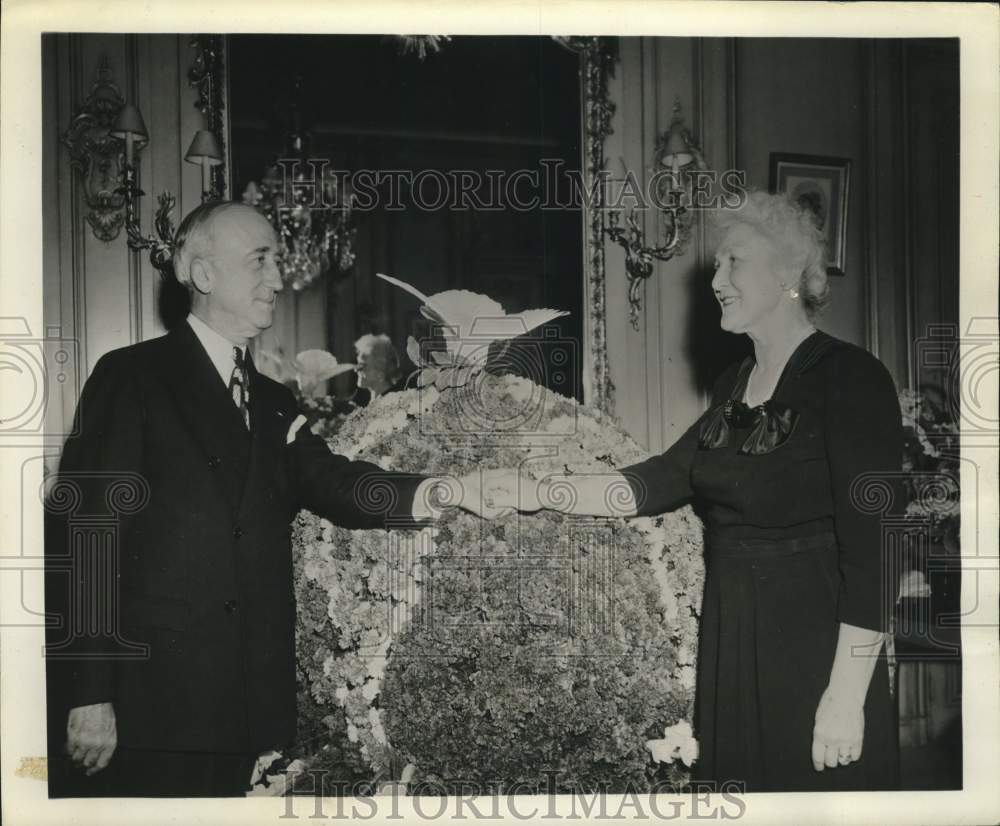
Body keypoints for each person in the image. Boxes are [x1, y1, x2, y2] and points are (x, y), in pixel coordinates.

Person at [44, 201, 496, 798]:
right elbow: (87, 537)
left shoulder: (273, 399)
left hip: (238, 707)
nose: (278, 280)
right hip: (148, 706)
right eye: (260, 261)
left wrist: (455, 490)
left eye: (277, 262)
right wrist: (90, 692)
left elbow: (335, 482)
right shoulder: (131, 377)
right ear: (203, 276)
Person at [488, 191, 903, 792]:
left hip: (816, 655)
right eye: (717, 265)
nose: (716, 279)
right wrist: (526, 489)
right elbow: (655, 480)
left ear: (788, 274)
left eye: (734, 262)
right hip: (733, 645)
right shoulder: (735, 384)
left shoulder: (853, 377)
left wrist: (845, 696)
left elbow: (875, 556)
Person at [353, 332, 406, 403]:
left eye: (363, 367)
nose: (356, 371)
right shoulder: (372, 401)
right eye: (359, 365)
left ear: (380, 375)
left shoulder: (391, 404)